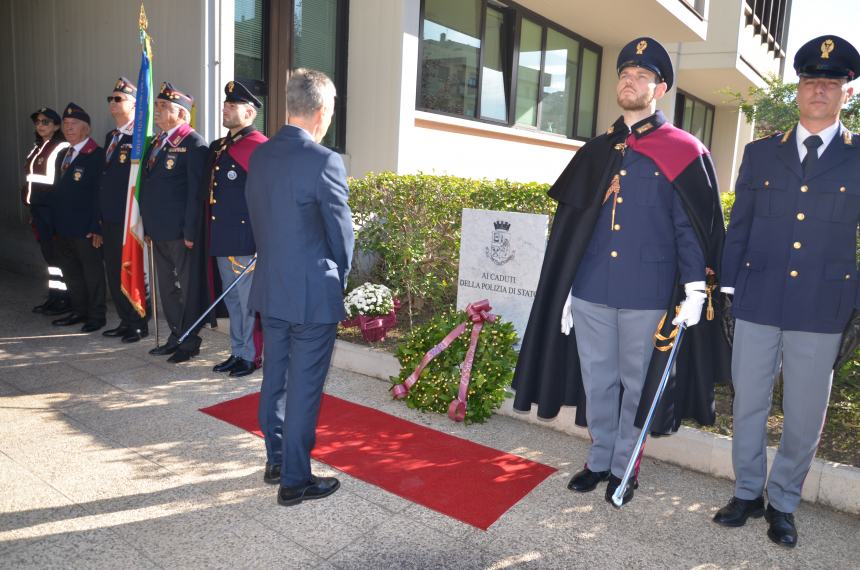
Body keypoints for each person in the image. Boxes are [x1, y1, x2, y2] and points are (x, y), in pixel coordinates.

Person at [511, 37, 729, 506]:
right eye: (624, 74)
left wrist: (695, 286)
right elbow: (574, 228)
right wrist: (567, 287)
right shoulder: (597, 149)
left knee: (636, 383)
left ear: (661, 88)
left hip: (646, 293)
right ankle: (599, 459)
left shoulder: (684, 149)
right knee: (598, 380)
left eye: (641, 76)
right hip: (590, 288)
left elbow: (690, 226)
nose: (629, 81)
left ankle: (626, 465)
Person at [713, 35, 860, 548]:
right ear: (798, 89)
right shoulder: (759, 154)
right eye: (811, 81)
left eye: (831, 82)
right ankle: (748, 492)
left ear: (846, 92)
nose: (820, 89)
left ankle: (784, 503)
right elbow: (741, 226)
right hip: (757, 299)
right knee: (748, 402)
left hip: (823, 307)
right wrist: (728, 292)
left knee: (802, 415)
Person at [247, 68, 354, 506]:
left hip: (271, 286)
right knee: (304, 388)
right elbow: (341, 235)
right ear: (322, 111)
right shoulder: (324, 160)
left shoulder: (260, 154)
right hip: (311, 293)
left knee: (275, 378)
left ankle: (275, 459)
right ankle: (294, 479)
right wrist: (338, 275)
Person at [139, 82, 209, 363]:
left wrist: (191, 231)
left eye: (163, 107)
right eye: (157, 106)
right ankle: (176, 334)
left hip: (181, 232)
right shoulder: (158, 142)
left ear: (181, 114)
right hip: (158, 230)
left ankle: (190, 340)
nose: (157, 111)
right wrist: (145, 225)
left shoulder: (193, 143)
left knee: (187, 289)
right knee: (166, 288)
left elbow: (196, 194)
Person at [207, 80, 267, 377]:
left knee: (247, 303)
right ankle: (237, 351)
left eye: (232, 106)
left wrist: (262, 241)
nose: (225, 109)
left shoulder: (258, 147)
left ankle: (251, 356)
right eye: (225, 105)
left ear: (249, 113)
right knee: (232, 301)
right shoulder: (222, 147)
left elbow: (266, 198)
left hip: (246, 240)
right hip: (223, 236)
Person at [99, 77, 149, 343]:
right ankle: (124, 319)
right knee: (113, 271)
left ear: (134, 105)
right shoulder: (111, 136)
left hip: (129, 217)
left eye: (119, 99)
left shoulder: (140, 137)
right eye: (111, 99)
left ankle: (138, 322)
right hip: (109, 216)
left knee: (130, 268)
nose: (113, 103)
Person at [49, 103, 107, 332]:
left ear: (86, 129)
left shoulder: (97, 155)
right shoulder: (63, 153)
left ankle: (96, 315)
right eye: (65, 124)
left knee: (92, 273)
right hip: (63, 226)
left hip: (86, 228)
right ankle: (79, 310)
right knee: (71, 272)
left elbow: (99, 194)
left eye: (74, 124)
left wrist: (96, 226)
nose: (68, 128)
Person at [24, 107, 71, 316]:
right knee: (50, 258)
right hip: (38, 210)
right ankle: (55, 296)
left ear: (56, 126)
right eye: (38, 122)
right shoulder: (37, 148)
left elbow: (60, 184)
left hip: (52, 211)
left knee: (59, 256)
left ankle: (66, 298)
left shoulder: (61, 148)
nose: (40, 125)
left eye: (45, 122)